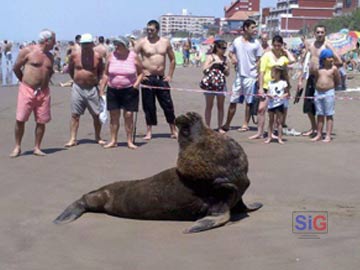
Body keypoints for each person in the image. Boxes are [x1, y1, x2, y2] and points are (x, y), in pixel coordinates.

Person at [9, 29, 56, 157]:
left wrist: (44, 82)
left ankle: (37, 147)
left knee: (41, 121)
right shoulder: (28, 51)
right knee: (21, 119)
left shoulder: (50, 56)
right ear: (47, 41)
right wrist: (24, 81)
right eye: (54, 40)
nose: (56, 42)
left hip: (43, 92)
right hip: (27, 89)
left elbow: (49, 72)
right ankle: (17, 146)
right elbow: (16, 68)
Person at [134, 19, 177, 140]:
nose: (149, 32)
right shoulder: (142, 42)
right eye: (148, 30)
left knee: (167, 104)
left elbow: (172, 59)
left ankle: (173, 129)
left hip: (161, 78)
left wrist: (170, 75)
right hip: (147, 78)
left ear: (157, 30)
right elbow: (132, 57)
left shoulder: (165, 42)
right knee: (149, 106)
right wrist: (140, 72)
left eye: (152, 30)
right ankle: (149, 131)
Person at [297, 25, 342, 137]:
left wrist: (329, 69)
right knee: (308, 105)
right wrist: (300, 78)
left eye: (322, 32)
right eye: (318, 32)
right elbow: (305, 62)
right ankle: (314, 128)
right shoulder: (311, 45)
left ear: (325, 33)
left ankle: (320, 131)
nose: (320, 34)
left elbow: (339, 61)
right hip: (311, 77)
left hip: (322, 77)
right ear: (314, 33)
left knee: (322, 108)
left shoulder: (327, 45)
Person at [99, 36, 143, 149]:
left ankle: (129, 141)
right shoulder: (111, 56)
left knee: (128, 115)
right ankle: (113, 140)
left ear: (125, 45)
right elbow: (106, 74)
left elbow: (141, 73)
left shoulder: (133, 56)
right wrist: (102, 88)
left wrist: (136, 85)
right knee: (114, 115)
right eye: (115, 44)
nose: (116, 46)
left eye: (119, 44)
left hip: (129, 89)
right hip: (113, 89)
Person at [219, 19, 262, 134]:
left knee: (249, 102)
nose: (255, 30)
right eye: (252, 27)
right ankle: (227, 124)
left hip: (251, 76)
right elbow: (230, 52)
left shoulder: (256, 44)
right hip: (239, 76)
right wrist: (233, 58)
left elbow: (259, 61)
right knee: (233, 100)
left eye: (255, 27)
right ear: (245, 28)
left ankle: (245, 124)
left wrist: (258, 76)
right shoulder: (237, 41)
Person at [64, 33, 106, 147]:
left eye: (87, 44)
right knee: (75, 115)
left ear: (92, 44)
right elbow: (71, 70)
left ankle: (98, 137)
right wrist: (76, 79)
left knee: (96, 114)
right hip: (78, 88)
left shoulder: (98, 56)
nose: (85, 46)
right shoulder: (75, 55)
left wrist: (99, 84)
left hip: (92, 88)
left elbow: (101, 71)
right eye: (83, 44)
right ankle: (73, 138)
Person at [249, 35, 294, 140]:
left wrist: (285, 50)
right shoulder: (267, 55)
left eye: (279, 45)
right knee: (261, 109)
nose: (277, 47)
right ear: (272, 45)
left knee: (276, 111)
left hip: (279, 87)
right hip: (266, 85)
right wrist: (260, 87)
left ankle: (273, 131)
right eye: (275, 45)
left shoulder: (283, 57)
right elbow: (261, 71)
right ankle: (259, 132)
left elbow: (292, 60)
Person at [310, 49, 340, 143]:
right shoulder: (319, 69)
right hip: (318, 92)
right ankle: (319, 134)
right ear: (323, 59)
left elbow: (337, 80)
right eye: (329, 57)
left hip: (329, 92)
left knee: (329, 114)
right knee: (320, 114)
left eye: (332, 57)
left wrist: (332, 87)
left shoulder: (333, 69)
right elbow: (314, 77)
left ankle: (328, 135)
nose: (331, 59)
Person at [202, 40, 230, 130]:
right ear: (217, 48)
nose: (224, 50)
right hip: (210, 84)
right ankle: (207, 127)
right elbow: (204, 69)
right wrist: (213, 64)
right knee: (209, 106)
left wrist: (225, 68)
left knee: (220, 106)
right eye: (222, 48)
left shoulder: (225, 59)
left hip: (221, 84)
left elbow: (228, 74)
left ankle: (219, 127)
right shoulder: (210, 57)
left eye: (225, 48)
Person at [265, 66, 289, 144]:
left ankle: (279, 138)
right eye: (272, 73)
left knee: (279, 122)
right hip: (271, 104)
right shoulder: (270, 83)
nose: (272, 74)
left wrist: (282, 96)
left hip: (279, 104)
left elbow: (287, 93)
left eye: (274, 73)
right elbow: (268, 92)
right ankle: (269, 137)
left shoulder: (283, 83)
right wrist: (269, 95)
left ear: (278, 73)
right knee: (270, 121)